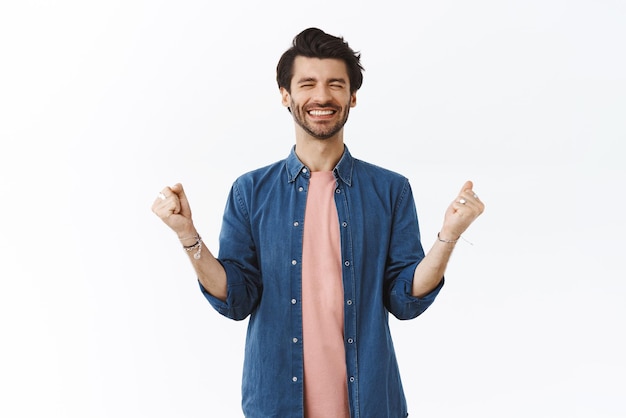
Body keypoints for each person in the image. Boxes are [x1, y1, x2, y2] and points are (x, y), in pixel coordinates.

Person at [152, 27, 484, 418]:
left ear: (352, 97)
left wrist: (449, 235)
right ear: (286, 95)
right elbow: (237, 298)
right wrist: (187, 235)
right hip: (276, 403)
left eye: (335, 85)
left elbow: (404, 299)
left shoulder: (390, 190)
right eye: (307, 83)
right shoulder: (251, 192)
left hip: (371, 403)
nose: (322, 96)